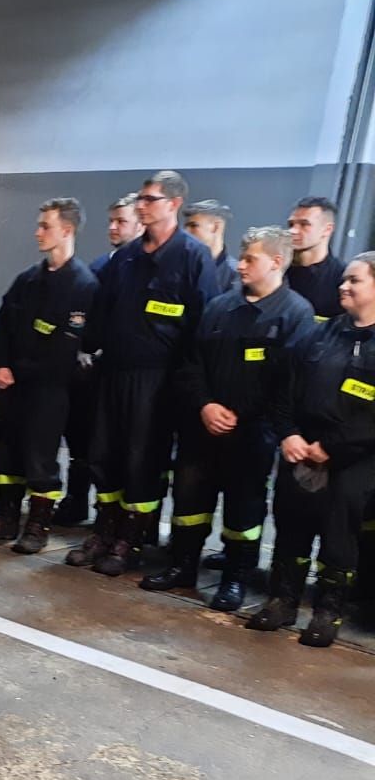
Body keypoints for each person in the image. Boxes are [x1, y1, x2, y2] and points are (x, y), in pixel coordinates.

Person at [138, 226, 316, 609]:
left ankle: (235, 578)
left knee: (244, 510)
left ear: (276, 262)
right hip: (203, 428)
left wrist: (241, 413)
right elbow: (191, 363)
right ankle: (183, 565)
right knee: (189, 501)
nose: (240, 266)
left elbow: (288, 384)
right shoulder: (219, 306)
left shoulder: (296, 314)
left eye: (250, 258)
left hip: (253, 435)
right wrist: (205, 405)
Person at [67, 171, 221, 576]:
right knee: (104, 455)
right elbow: (101, 312)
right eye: (141, 199)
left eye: (150, 199)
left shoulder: (193, 257)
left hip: (159, 382)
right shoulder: (127, 257)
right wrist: (87, 350)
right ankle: (104, 531)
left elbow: (204, 327)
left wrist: (188, 386)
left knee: (142, 461)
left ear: (173, 204)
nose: (141, 206)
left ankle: (130, 540)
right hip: (113, 373)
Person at [252, 254, 375, 645]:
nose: (343, 286)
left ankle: (327, 612)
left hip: (355, 460)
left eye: (354, 280)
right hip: (302, 449)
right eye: (343, 279)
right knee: (291, 525)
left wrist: (332, 448)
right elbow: (284, 388)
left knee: (339, 538)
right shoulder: (319, 334)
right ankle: (282, 601)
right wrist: (288, 434)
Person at [0, 198, 97, 554]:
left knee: (41, 460)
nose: (37, 232)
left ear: (67, 231)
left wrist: (22, 370)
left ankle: (38, 526)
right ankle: (5, 518)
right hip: (12, 387)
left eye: (45, 226)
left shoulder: (83, 285)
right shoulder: (28, 280)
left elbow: (68, 348)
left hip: (49, 391)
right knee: (7, 454)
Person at [63, 194, 145, 523]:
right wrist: (81, 349)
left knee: (121, 449)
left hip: (128, 375)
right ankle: (76, 501)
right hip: (91, 373)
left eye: (121, 221)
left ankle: (117, 520)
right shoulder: (99, 266)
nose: (113, 227)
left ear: (141, 224)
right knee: (83, 439)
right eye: (111, 220)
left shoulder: (145, 271)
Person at [287, 196, 344, 320]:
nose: (293, 231)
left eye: (304, 224)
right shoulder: (276, 270)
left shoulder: (343, 279)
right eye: (291, 224)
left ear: (327, 229)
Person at [183, 199, 239, 291]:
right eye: (185, 227)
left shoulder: (237, 275)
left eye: (193, 226)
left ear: (216, 227)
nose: (186, 232)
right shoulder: (178, 267)